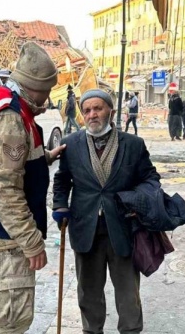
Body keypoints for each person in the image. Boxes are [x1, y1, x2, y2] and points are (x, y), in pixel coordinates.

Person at [0, 42, 66, 334]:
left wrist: (45, 158)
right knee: (12, 320)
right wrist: (31, 241)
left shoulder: (1, 100)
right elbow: (3, 188)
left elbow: (0, 162)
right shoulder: (10, 117)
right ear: (33, 88)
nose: (48, 99)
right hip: (6, 240)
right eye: (46, 91)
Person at [52, 89, 161, 334]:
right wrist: (60, 205)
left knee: (128, 292)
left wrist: (137, 201)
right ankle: (92, 331)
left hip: (122, 227)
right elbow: (62, 180)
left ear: (110, 111)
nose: (92, 114)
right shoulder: (71, 143)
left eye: (97, 108)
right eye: (87, 110)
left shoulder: (133, 145)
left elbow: (150, 178)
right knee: (88, 291)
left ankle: (130, 331)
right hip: (85, 227)